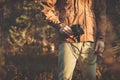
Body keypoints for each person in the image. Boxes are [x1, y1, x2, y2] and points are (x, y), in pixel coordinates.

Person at [40, 0, 107, 80]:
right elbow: (45, 7)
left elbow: (101, 13)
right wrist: (59, 25)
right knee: (65, 77)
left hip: (89, 40)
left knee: (90, 77)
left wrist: (101, 38)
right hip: (67, 39)